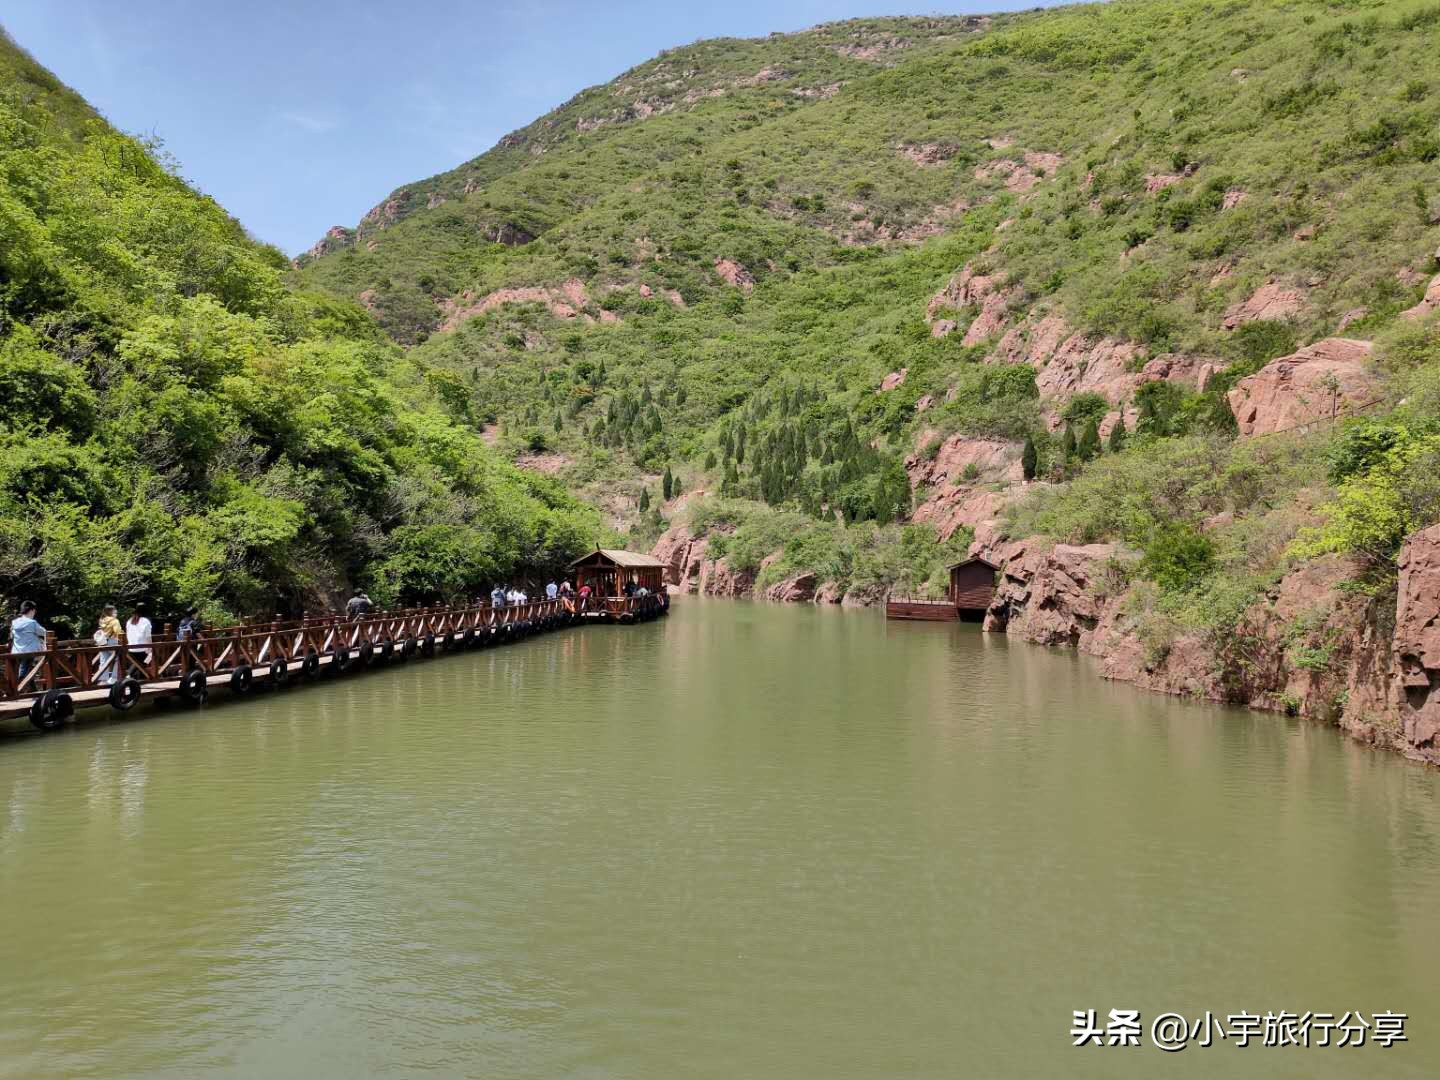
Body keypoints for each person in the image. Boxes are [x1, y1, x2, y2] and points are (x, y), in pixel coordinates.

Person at [9, 601, 46, 685]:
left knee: (28, 671)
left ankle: (32, 691)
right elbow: (44, 632)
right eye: (34, 611)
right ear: (32, 610)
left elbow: (12, 636)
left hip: (16, 652)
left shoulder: (14, 622)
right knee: (24, 673)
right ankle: (18, 689)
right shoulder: (32, 623)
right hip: (29, 652)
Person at [94, 605, 123, 686]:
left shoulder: (102, 620)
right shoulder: (115, 621)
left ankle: (102, 680)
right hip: (112, 641)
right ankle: (113, 679)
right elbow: (118, 631)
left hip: (103, 641)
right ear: (111, 612)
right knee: (115, 659)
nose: (116, 613)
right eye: (115, 611)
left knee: (103, 660)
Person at [125, 604, 153, 670]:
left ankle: (132, 675)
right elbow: (148, 637)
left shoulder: (129, 621)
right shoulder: (146, 621)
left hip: (131, 648)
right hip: (142, 649)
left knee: (136, 666)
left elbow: (127, 634)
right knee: (150, 657)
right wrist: (150, 648)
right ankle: (130, 675)